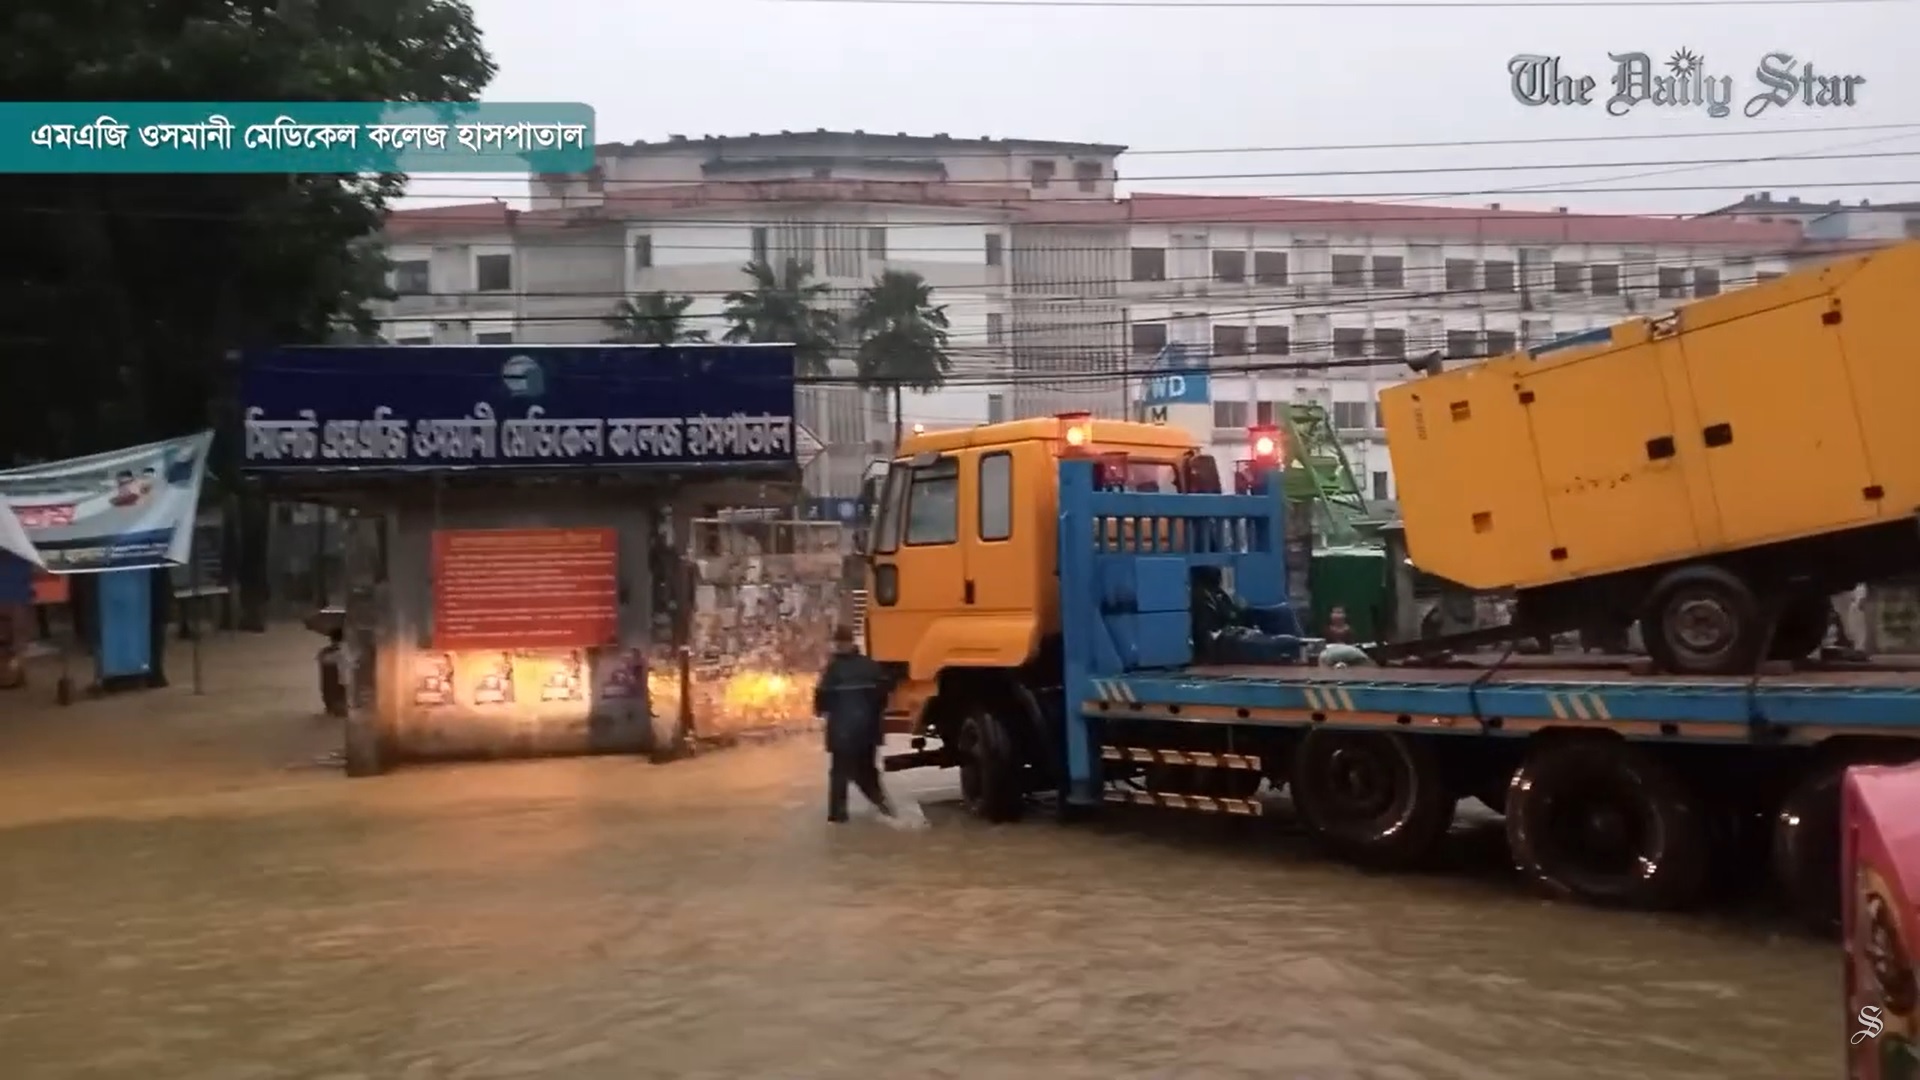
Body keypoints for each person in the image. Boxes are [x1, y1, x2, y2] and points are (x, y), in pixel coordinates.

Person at [814, 624, 895, 823]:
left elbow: (821, 701)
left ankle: (838, 820)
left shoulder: (833, 669)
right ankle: (888, 812)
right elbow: (884, 695)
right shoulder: (870, 665)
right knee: (867, 773)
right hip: (868, 732)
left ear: (840, 644)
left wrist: (824, 712)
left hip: (843, 734)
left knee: (840, 776)